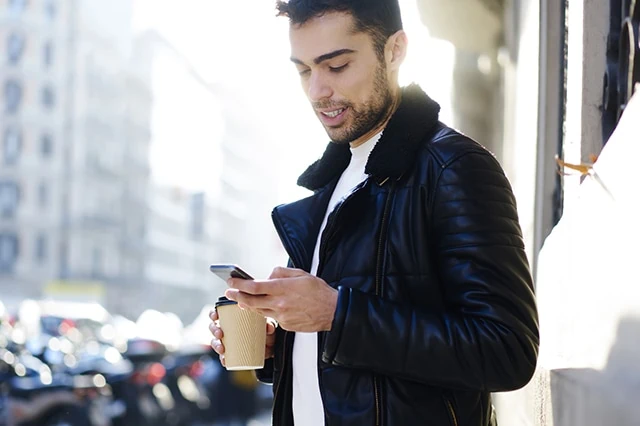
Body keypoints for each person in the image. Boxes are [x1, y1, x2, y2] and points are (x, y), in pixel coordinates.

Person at [209, 0, 539, 424]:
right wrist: (281, 344)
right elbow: (349, 361)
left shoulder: (454, 168)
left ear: (395, 50)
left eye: (338, 65)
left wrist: (336, 313)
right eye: (305, 70)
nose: (317, 91)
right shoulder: (331, 184)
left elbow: (506, 351)